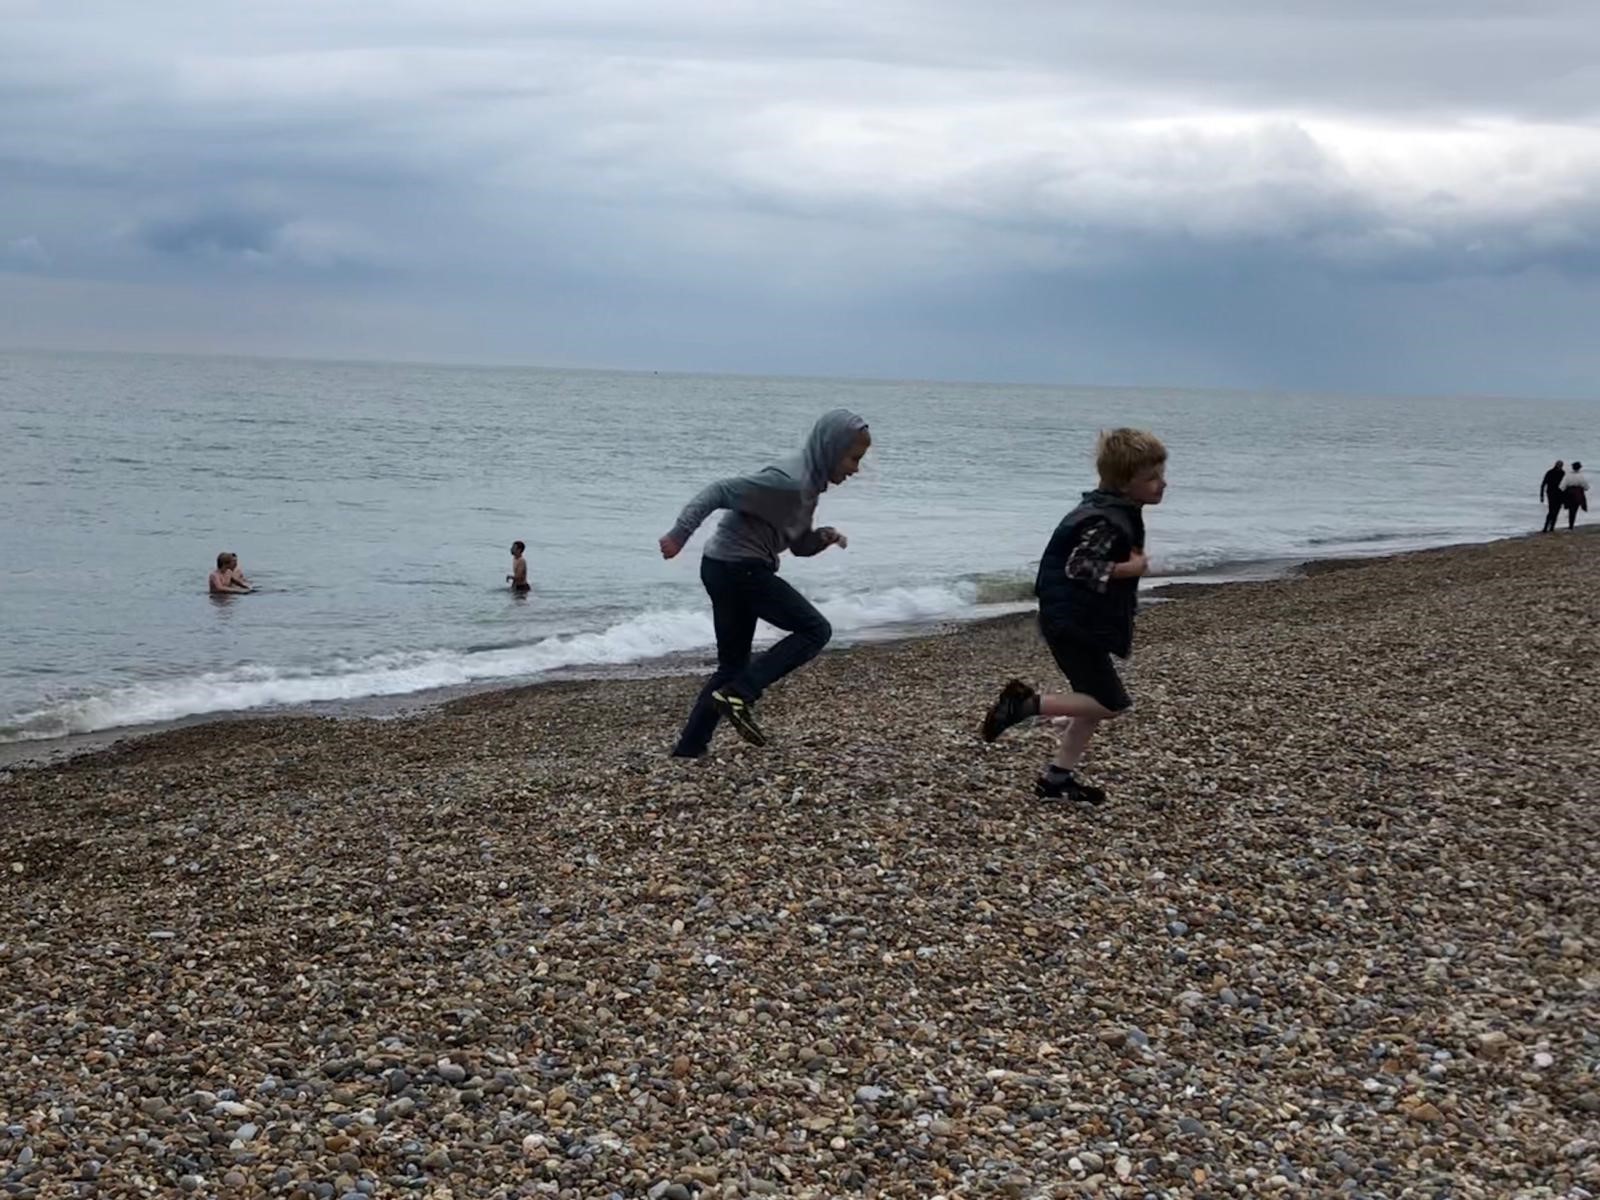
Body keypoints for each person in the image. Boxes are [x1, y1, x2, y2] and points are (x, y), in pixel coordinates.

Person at [660, 409, 871, 757]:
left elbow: (799, 546)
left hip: (721, 567)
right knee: (815, 630)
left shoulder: (806, 487)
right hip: (739, 569)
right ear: (831, 448)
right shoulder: (788, 481)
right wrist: (679, 534)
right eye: (853, 458)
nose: (855, 469)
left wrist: (825, 536)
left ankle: (689, 748)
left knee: (732, 665)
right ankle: (740, 693)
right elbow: (719, 491)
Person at [979, 428, 1168, 804]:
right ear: (1125, 482)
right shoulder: (1106, 520)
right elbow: (1079, 566)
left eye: (1161, 474)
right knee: (1110, 704)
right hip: (1072, 624)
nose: (1163, 484)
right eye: (1152, 478)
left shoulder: (1109, 510)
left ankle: (1057, 778)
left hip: (1073, 620)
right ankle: (1024, 706)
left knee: (1092, 702)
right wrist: (1129, 570)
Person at [1562, 461, 1590, 530]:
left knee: (1570, 510)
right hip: (1577, 495)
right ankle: (1571, 525)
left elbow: (1562, 487)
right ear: (1579, 468)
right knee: (1574, 510)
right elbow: (1586, 487)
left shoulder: (1567, 475)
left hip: (1569, 495)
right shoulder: (1581, 476)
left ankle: (1570, 525)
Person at [1541, 460, 1567, 533]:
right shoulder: (1550, 472)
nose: (1560, 466)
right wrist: (1541, 495)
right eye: (1559, 465)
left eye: (1561, 465)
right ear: (1555, 465)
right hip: (1551, 494)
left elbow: (1565, 486)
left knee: (1556, 511)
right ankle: (1545, 527)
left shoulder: (1563, 473)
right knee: (1551, 511)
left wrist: (1565, 498)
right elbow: (1543, 484)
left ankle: (1552, 527)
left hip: (1560, 495)